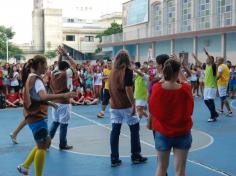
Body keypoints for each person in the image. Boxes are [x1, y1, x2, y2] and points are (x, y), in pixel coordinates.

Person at [17, 55, 76, 176]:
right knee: (42, 146)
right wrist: (63, 95)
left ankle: (25, 166)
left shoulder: (30, 77)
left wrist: (50, 103)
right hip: (37, 116)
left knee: (45, 142)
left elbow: (36, 97)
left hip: (33, 115)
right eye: (45, 64)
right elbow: (43, 96)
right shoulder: (37, 80)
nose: (46, 67)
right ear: (39, 65)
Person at [149, 59, 193, 176]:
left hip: (163, 132)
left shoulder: (157, 88)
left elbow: (152, 109)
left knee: (161, 168)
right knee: (180, 170)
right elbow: (185, 81)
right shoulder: (185, 89)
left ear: (164, 71)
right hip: (182, 132)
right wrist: (179, 67)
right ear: (177, 72)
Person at [109, 50, 147, 167]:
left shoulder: (113, 71)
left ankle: (114, 158)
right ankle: (136, 155)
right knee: (134, 130)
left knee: (115, 132)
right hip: (125, 105)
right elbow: (128, 89)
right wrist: (133, 104)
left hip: (114, 105)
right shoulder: (127, 71)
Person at [49, 46, 78, 150]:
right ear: (66, 68)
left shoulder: (54, 73)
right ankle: (63, 144)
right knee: (64, 124)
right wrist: (66, 55)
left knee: (55, 122)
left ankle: (47, 141)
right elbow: (75, 65)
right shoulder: (66, 73)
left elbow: (58, 64)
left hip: (55, 101)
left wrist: (61, 55)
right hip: (64, 102)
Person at [193, 49, 218, 122]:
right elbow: (199, 63)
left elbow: (210, 59)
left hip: (212, 86)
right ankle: (214, 113)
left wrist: (207, 53)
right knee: (206, 101)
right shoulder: (206, 66)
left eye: (207, 59)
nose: (206, 60)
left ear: (211, 60)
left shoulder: (213, 66)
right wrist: (195, 58)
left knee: (210, 100)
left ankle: (213, 116)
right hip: (207, 87)